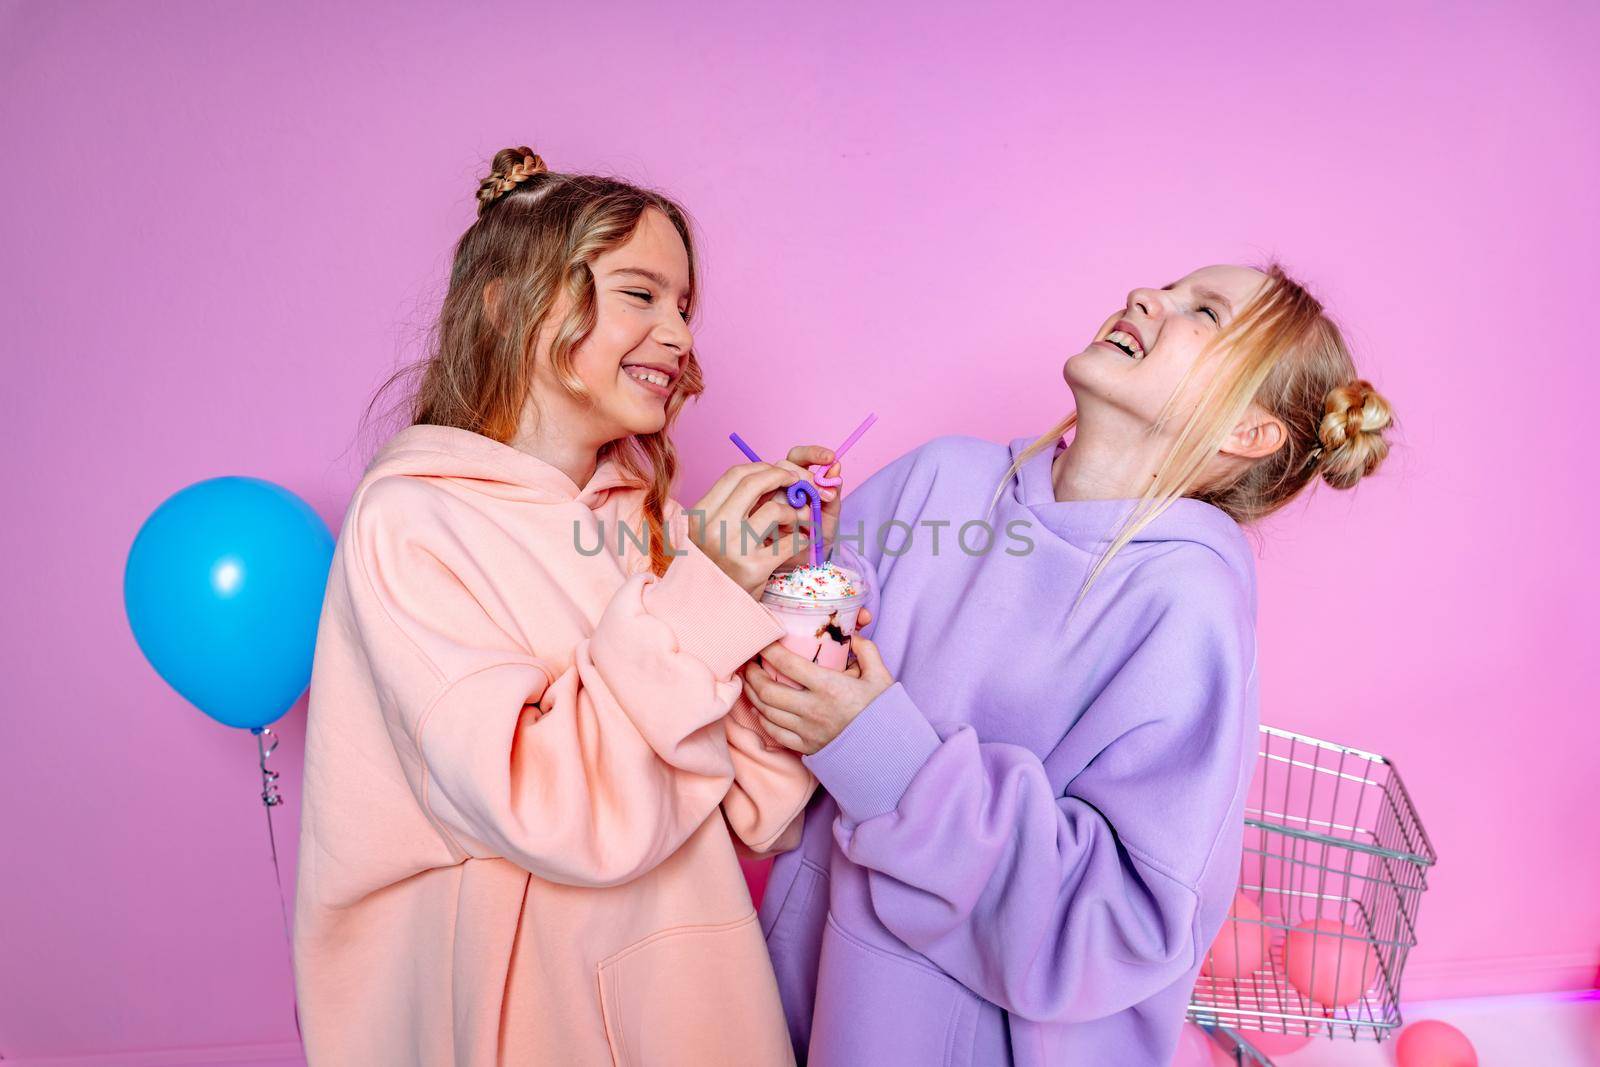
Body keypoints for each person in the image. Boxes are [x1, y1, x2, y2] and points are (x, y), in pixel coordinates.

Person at [746, 264, 1395, 1065]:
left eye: (1204, 311)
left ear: (1246, 431)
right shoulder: (939, 476)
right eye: (1167, 285)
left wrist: (888, 759)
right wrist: (796, 566)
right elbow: (789, 688)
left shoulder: (1188, 607)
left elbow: (1121, 921)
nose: (1145, 298)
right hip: (797, 1006)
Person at [293, 146, 837, 1065]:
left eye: (685, 306)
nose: (679, 333)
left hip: (693, 1009)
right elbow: (544, 805)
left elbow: (765, 811)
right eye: (640, 293)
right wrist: (705, 596)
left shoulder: (652, 523)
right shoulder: (413, 523)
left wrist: (789, 599)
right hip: (531, 1022)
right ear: (511, 305)